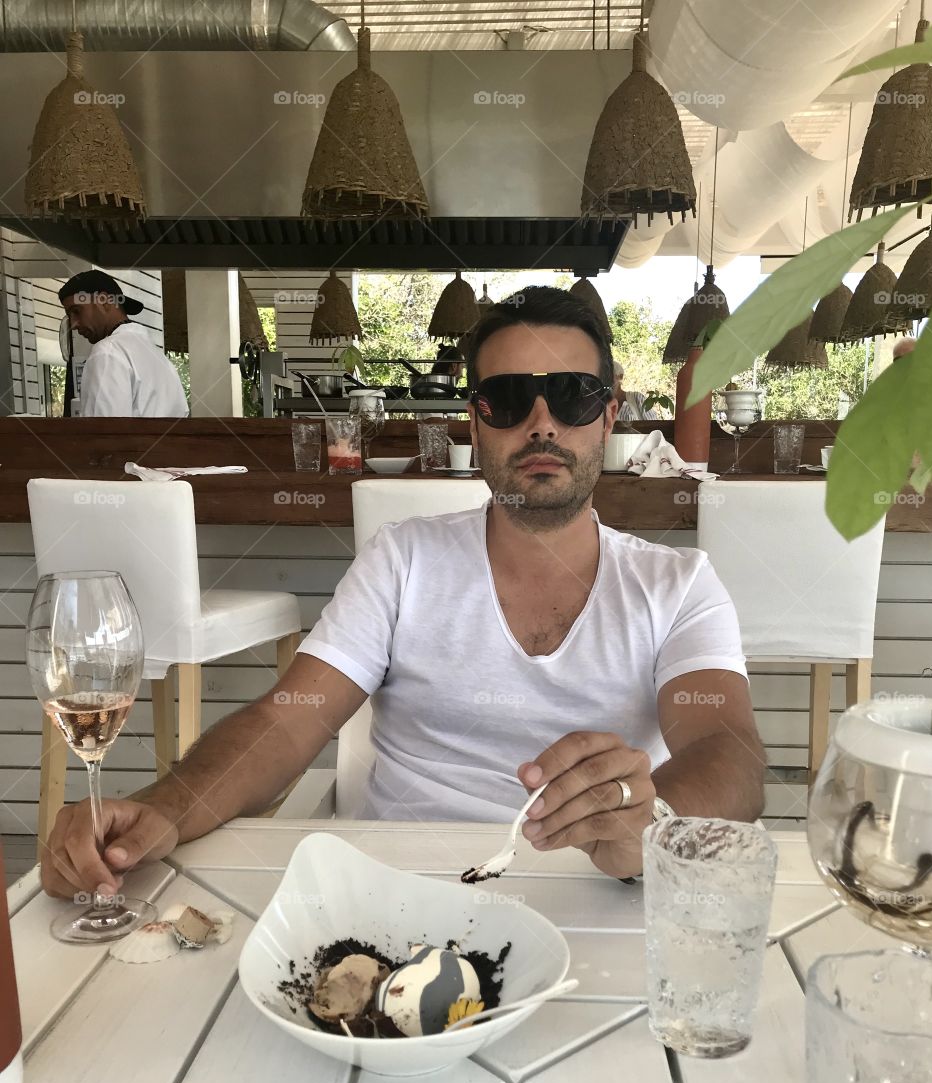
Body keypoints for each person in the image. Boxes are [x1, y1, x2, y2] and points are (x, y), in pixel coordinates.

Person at [41, 286, 764, 896]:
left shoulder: (677, 585)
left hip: (597, 890)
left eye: (572, 397)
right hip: (398, 888)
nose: (542, 422)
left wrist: (654, 819)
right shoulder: (404, 561)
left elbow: (728, 753)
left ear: (609, 414)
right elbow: (289, 723)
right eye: (509, 399)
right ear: (475, 424)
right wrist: (166, 807)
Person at [58, 269, 188, 417]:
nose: (73, 324)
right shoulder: (161, 359)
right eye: (69, 316)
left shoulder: (107, 352)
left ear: (103, 302)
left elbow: (103, 434)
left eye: (76, 311)